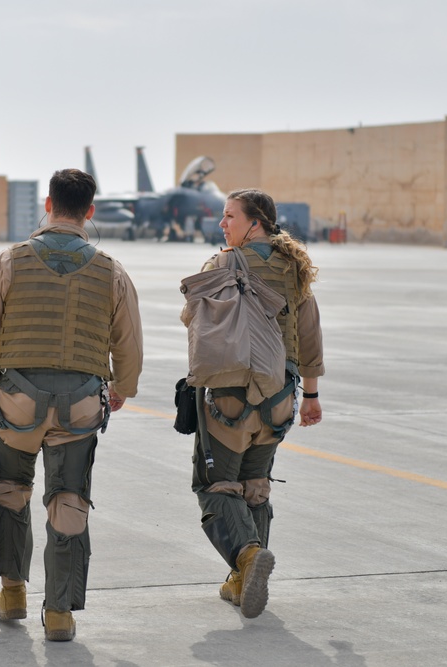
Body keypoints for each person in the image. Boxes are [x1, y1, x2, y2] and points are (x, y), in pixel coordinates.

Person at [0, 168, 143, 642]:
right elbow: (130, 348)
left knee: (11, 490)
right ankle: (59, 614)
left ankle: (12, 593)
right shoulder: (112, 271)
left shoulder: (8, 263)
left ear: (48, 205)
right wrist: (122, 388)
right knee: (69, 501)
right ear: (90, 212)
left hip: (15, 404)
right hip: (80, 407)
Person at [188, 188, 324, 619]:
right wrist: (313, 396)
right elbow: (309, 334)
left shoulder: (224, 263)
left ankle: (247, 556)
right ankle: (241, 580)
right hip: (282, 396)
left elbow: (195, 319)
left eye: (230, 217)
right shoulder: (294, 268)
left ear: (256, 222)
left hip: (231, 395)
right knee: (255, 487)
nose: (222, 224)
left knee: (215, 485)